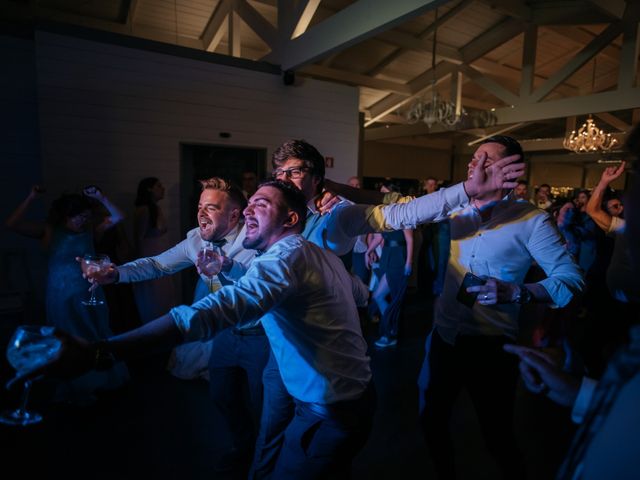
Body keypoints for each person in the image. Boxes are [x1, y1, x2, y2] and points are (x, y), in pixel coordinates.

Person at [15, 180, 375, 480]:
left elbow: (215, 309)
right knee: (226, 397)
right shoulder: (317, 254)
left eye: (259, 204)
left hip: (320, 400)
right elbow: (360, 293)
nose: (249, 209)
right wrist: (117, 273)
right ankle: (248, 450)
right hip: (337, 395)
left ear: (289, 218)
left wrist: (101, 352)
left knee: (274, 435)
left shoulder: (283, 257)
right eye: (249, 203)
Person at [331, 136, 583, 480]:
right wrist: (330, 187)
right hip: (445, 337)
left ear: (507, 170)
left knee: (497, 436)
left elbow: (571, 281)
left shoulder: (532, 221)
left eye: (485, 159)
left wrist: (518, 292)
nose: (472, 164)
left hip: (493, 344)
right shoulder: (456, 204)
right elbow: (393, 202)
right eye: (473, 157)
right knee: (431, 420)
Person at [90, 177, 262, 476]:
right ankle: (244, 445)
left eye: (211, 207)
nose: (201, 213)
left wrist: (227, 266)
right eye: (199, 206)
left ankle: (267, 460)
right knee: (223, 395)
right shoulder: (196, 239)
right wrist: (115, 274)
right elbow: (157, 264)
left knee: (264, 402)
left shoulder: (256, 239)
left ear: (234, 215)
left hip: (261, 335)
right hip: (224, 333)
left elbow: (259, 288)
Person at [5, 185, 129, 404]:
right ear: (66, 216)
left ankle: (99, 381)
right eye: (80, 217)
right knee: (66, 338)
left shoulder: (92, 231)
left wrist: (101, 197)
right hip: (59, 294)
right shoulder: (50, 231)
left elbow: (119, 216)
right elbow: (11, 224)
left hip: (89, 292)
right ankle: (73, 387)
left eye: (87, 217)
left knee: (94, 333)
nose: (84, 221)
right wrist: (31, 197)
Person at [132, 177, 177, 323]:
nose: (162, 188)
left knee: (164, 293)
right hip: (150, 254)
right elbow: (139, 238)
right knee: (153, 295)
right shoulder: (144, 210)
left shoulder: (155, 208)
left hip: (160, 253)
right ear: (149, 189)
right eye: (158, 186)